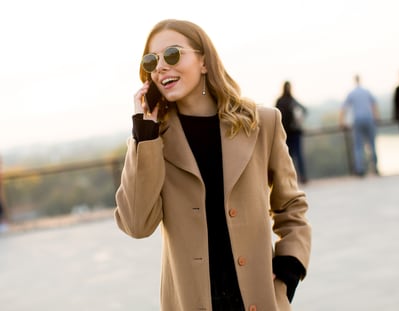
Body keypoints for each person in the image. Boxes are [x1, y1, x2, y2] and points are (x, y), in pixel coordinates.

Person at [114, 19, 311, 311]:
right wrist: (144, 134)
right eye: (152, 61)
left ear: (204, 61)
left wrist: (289, 268)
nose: (161, 67)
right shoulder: (154, 142)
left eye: (172, 54)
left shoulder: (262, 123)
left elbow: (291, 206)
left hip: (259, 299)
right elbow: (136, 225)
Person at [339, 75, 380, 176]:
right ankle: (375, 168)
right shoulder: (367, 91)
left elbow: (343, 108)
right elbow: (374, 104)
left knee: (358, 146)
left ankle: (360, 169)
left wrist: (341, 121)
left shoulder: (352, 93)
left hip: (357, 120)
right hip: (369, 119)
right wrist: (376, 117)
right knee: (372, 144)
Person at [275, 81, 308, 184]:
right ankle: (301, 177)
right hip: (294, 132)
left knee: (288, 156)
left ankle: (289, 179)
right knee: (296, 156)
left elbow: (275, 116)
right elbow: (305, 110)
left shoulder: (280, 101)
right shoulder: (292, 101)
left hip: (286, 133)